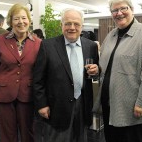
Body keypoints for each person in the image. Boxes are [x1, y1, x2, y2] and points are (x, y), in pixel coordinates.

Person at [93, 0, 142, 142]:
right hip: (110, 104)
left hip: (133, 108)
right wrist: (97, 70)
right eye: (114, 11)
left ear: (132, 9)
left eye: (123, 8)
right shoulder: (111, 35)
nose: (119, 13)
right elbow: (106, 65)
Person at [33, 8, 99, 142]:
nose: (72, 28)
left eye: (76, 24)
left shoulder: (91, 46)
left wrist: (96, 71)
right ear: (61, 25)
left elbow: (94, 74)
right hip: (56, 106)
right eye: (68, 23)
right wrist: (42, 105)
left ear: (82, 26)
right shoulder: (47, 46)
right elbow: (38, 79)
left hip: (83, 103)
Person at [0, 4, 41, 142]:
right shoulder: (0, 40)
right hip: (2, 95)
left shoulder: (38, 43)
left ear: (29, 20)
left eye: (24, 18)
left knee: (28, 133)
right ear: (10, 21)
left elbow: (40, 72)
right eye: (16, 19)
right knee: (7, 135)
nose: (21, 22)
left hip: (27, 95)